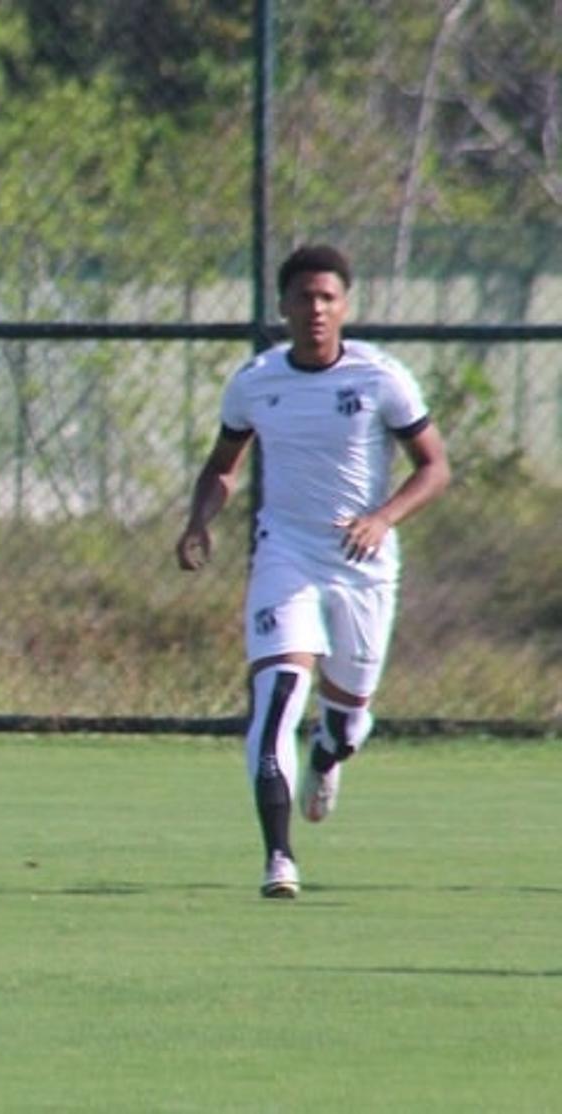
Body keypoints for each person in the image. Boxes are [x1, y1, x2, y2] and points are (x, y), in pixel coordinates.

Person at [176, 244, 450, 900]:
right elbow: (222, 465)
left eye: (329, 297)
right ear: (284, 305)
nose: (317, 309)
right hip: (286, 555)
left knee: (349, 712)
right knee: (276, 699)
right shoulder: (256, 380)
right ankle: (279, 858)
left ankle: (331, 752)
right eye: (305, 297)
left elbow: (434, 467)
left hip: (364, 564)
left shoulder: (380, 378)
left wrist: (383, 518)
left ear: (345, 306)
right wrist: (199, 520)